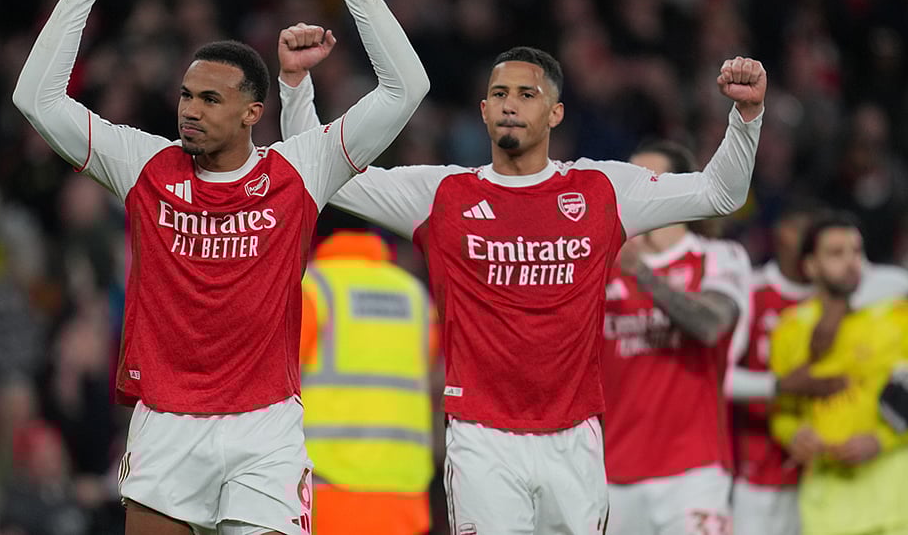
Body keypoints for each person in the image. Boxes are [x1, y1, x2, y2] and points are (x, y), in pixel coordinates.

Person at [12, 0, 430, 535]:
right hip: (166, 424)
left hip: (266, 432)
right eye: (186, 96)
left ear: (252, 113)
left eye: (210, 100)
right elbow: (37, 100)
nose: (190, 110)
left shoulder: (301, 170)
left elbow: (406, 88)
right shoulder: (142, 165)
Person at [279, 42, 767, 533]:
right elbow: (319, 170)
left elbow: (720, 193)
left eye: (527, 94)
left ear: (555, 112)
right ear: (484, 110)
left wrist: (746, 116)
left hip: (575, 439)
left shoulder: (603, 190)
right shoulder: (440, 195)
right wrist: (296, 87)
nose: (511, 103)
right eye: (499, 93)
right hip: (480, 438)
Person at [727, 201, 908, 535]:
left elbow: (903, 280)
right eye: (798, 226)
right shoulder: (753, 290)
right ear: (782, 234)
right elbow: (721, 379)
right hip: (760, 466)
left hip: (825, 470)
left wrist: (842, 305)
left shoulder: (847, 288)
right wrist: (781, 386)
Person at [769, 211, 908, 535]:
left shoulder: (904, 316)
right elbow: (782, 414)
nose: (851, 262)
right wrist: (796, 435)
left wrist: (881, 440)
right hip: (827, 510)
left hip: (900, 504)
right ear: (810, 266)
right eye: (836, 253)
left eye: (857, 251)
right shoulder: (790, 329)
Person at [600, 140, 751, 535]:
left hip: (693, 474)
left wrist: (644, 276)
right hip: (610, 476)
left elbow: (711, 326)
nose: (636, 191)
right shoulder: (599, 269)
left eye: (650, 180)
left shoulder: (717, 256)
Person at [298, 229, 438, 535]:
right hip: (405, 491)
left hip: (327, 488)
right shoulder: (414, 295)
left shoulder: (312, 288)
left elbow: (275, 382)